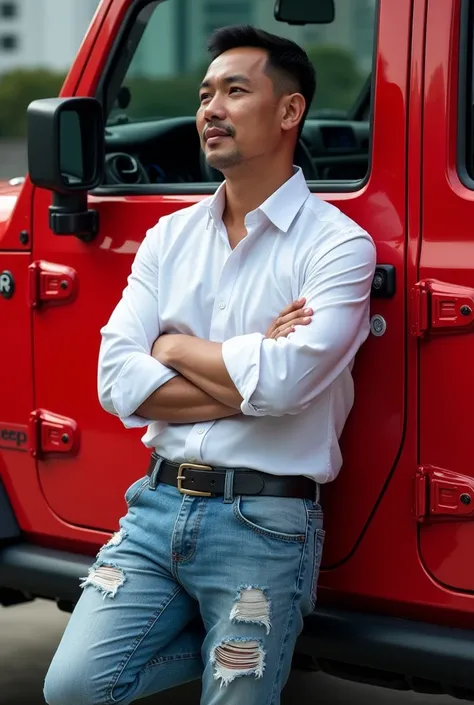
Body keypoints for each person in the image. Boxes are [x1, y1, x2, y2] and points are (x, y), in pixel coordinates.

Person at [44, 24, 376, 705]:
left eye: (234, 90)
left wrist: (170, 348)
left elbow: (287, 383)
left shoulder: (339, 245)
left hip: (264, 521)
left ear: (290, 112)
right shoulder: (169, 236)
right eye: (203, 94)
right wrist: (254, 362)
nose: (209, 110)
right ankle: (250, 648)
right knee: (73, 687)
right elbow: (115, 381)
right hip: (154, 507)